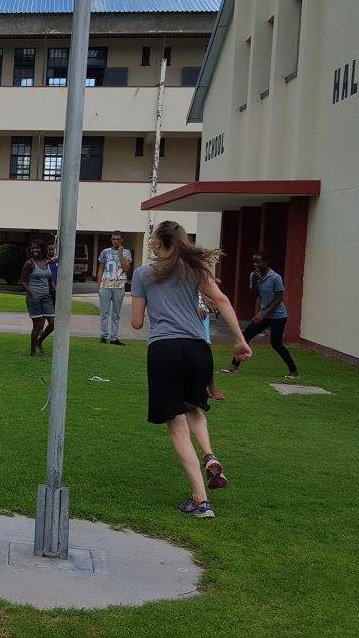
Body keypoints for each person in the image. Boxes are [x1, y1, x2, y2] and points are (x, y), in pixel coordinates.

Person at [129, 221, 251, 519]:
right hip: (199, 349)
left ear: (158, 242)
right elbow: (221, 300)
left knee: (177, 424)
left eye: (152, 239)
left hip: (165, 350)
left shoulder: (144, 274)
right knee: (193, 406)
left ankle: (200, 500)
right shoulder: (195, 268)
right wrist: (240, 339)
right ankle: (209, 456)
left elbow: (135, 322)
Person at [222, 252, 300, 379]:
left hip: (278, 316)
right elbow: (253, 295)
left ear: (266, 263)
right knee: (245, 336)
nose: (255, 264)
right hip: (264, 315)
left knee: (276, 344)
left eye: (258, 262)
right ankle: (234, 367)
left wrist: (262, 314)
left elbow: (279, 299)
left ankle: (294, 372)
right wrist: (255, 280)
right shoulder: (254, 275)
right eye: (254, 262)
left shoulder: (275, 277)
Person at [97, 231, 133, 345]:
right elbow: (101, 268)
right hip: (105, 286)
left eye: (117, 239)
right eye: (113, 239)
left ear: (121, 240)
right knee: (104, 313)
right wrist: (99, 285)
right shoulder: (105, 252)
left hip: (119, 286)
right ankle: (103, 336)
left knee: (116, 313)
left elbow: (126, 268)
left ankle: (114, 337)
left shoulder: (126, 252)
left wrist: (120, 254)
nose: (115, 241)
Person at [20, 240, 56, 357]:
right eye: (32, 248)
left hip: (46, 297)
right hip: (34, 298)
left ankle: (39, 342)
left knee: (52, 324)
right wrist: (32, 293)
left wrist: (55, 290)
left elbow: (50, 280)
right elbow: (23, 281)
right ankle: (32, 351)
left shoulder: (47, 262)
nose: (34, 250)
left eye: (37, 248)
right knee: (38, 325)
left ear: (42, 249)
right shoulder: (29, 264)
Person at [198, 293, 226, 401]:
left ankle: (210, 388)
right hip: (187, 313)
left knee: (206, 351)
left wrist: (208, 300)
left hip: (203, 313)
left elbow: (200, 284)